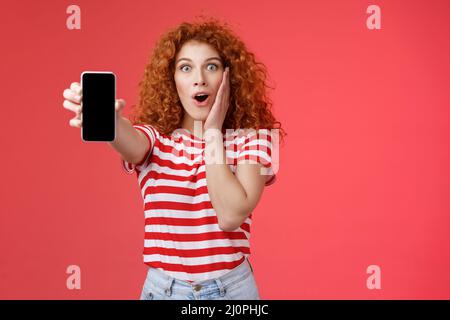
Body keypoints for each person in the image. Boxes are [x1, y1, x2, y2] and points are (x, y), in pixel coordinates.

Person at [62, 16, 286, 300]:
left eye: (212, 67)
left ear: (230, 77)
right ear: (172, 79)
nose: (199, 79)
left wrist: (213, 131)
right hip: (162, 292)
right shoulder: (157, 139)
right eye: (185, 68)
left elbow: (230, 215)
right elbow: (130, 141)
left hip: (232, 293)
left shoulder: (253, 138)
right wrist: (111, 122)